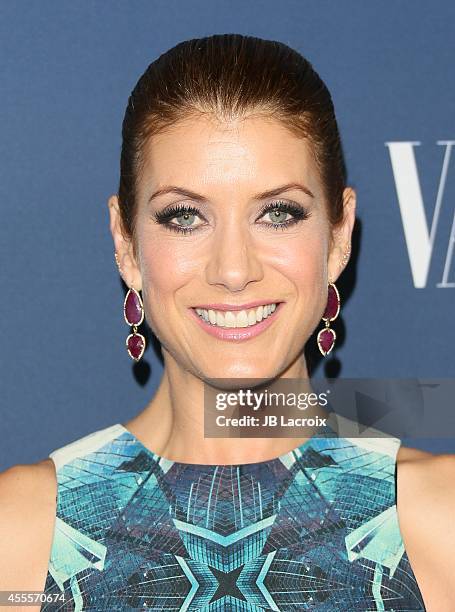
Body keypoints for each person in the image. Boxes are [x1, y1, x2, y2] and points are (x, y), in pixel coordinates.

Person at [0, 33, 453, 612]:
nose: (234, 271)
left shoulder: (439, 521)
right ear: (126, 243)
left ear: (339, 236)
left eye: (278, 213)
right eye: (185, 217)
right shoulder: (23, 539)